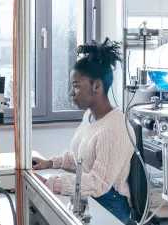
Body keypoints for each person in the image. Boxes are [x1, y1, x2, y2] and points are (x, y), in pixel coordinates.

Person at [33, 38, 135, 225]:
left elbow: (98, 183)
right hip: (93, 193)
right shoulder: (90, 116)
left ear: (97, 86)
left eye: (77, 86)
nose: (71, 92)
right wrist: (50, 162)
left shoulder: (115, 128)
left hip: (111, 204)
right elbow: (83, 157)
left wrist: (50, 183)